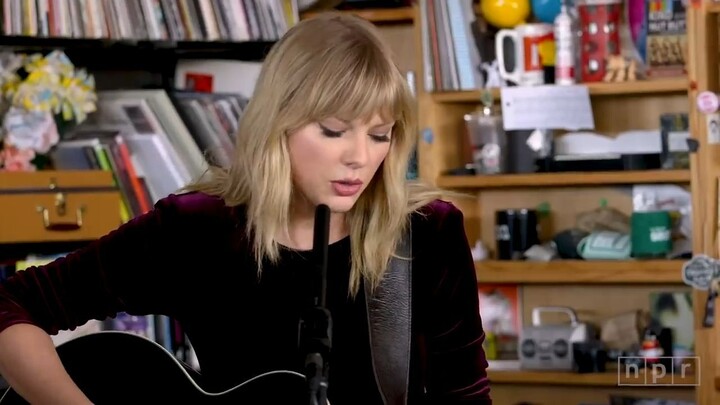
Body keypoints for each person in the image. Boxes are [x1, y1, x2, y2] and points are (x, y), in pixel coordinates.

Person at [0, 12, 491, 405]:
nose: (359, 157)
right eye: (334, 130)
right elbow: (10, 306)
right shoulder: (196, 228)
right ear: (278, 125)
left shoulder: (428, 233)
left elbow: (465, 392)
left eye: (380, 135)